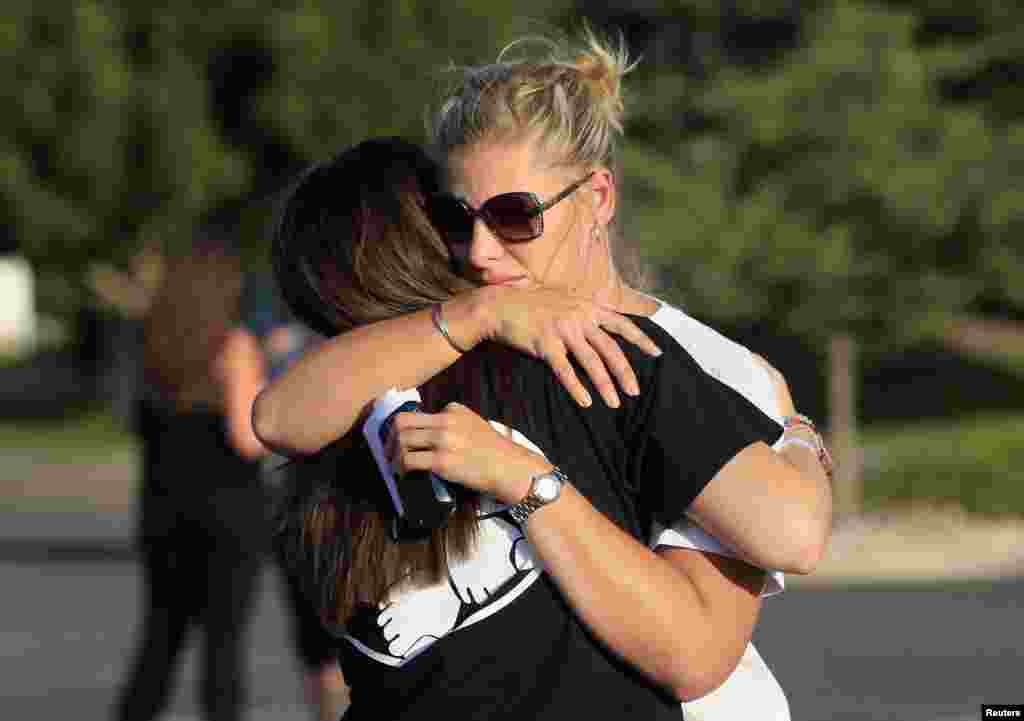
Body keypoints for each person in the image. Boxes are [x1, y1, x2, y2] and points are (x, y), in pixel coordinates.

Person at [263, 135, 831, 720]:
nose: (486, 247)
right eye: (465, 219)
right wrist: (797, 432)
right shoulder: (608, 360)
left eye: (510, 216)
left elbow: (270, 419)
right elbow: (712, 635)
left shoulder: (326, 427)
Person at [115, 238, 270, 721]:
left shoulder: (153, 345)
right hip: (230, 517)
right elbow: (249, 438)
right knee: (223, 650)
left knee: (159, 643)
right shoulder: (233, 346)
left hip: (163, 513)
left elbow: (134, 422)